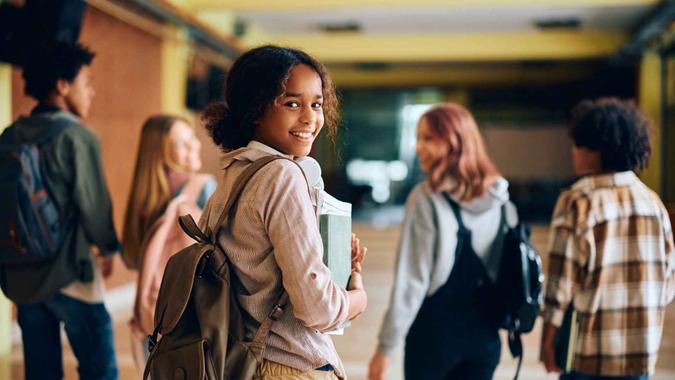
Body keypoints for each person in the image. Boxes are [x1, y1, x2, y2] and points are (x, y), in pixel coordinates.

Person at [199, 45, 367, 380]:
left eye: (316, 104)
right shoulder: (282, 176)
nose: (310, 118)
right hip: (286, 365)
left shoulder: (236, 173)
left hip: (239, 361)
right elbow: (317, 309)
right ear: (256, 109)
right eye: (292, 103)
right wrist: (356, 297)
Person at [368, 103, 518, 380]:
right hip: (485, 340)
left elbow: (411, 282)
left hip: (433, 339)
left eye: (428, 139)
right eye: (418, 139)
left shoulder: (426, 198)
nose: (418, 148)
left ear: (454, 142)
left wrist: (384, 349)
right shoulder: (502, 201)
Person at [0, 42, 120, 380]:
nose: (91, 92)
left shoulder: (9, 135)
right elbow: (93, 204)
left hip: (22, 273)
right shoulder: (77, 136)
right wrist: (109, 248)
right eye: (86, 83)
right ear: (62, 85)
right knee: (100, 369)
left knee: (41, 372)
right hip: (72, 271)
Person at [539, 97, 674, 380]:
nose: (574, 152)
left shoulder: (577, 201)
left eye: (578, 144)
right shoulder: (653, 204)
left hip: (588, 355)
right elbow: (668, 282)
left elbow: (559, 283)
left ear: (595, 150)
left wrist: (548, 339)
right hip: (640, 355)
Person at [121, 114, 216, 371]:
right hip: (190, 317)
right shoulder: (203, 187)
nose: (195, 145)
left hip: (152, 317)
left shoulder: (143, 202)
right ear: (161, 152)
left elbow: (131, 258)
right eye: (183, 143)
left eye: (192, 139)